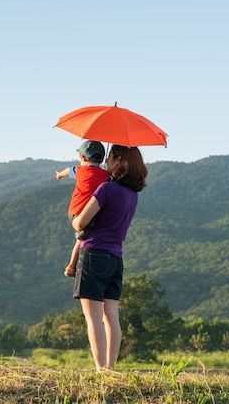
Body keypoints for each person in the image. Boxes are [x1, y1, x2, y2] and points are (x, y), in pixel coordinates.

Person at [71, 145, 148, 371]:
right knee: (111, 316)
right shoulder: (132, 195)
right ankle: (111, 368)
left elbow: (80, 222)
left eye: (111, 158)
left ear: (119, 161)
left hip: (94, 255)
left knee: (93, 317)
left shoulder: (106, 189)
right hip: (116, 259)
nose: (107, 162)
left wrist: (76, 219)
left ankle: (100, 369)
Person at [56, 140, 110, 277]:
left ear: (82, 157)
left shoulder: (80, 170)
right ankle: (71, 266)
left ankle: (72, 266)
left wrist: (59, 175)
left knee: (81, 239)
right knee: (80, 240)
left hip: (74, 210)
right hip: (87, 214)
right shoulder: (105, 175)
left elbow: (68, 170)